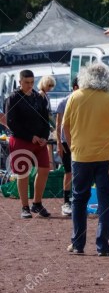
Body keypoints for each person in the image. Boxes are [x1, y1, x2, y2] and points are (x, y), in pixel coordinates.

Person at [63, 63, 109, 256]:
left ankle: (78, 243)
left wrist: (73, 146)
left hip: (80, 155)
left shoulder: (75, 96)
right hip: (107, 157)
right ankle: (102, 246)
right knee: (106, 200)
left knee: (79, 199)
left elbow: (65, 126)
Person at [5, 69, 52, 219]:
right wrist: (30, 136)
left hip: (40, 140)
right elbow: (11, 123)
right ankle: (24, 207)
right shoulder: (13, 98)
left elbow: (46, 119)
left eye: (32, 82)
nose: (29, 85)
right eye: (26, 82)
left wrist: (45, 136)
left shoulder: (39, 97)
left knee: (45, 169)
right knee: (23, 173)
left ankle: (37, 203)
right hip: (20, 139)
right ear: (20, 82)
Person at [55, 77, 79, 216]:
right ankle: (66, 202)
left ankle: (77, 200)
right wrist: (58, 142)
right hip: (66, 142)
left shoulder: (84, 102)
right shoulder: (64, 102)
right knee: (68, 171)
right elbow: (58, 125)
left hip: (80, 141)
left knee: (80, 171)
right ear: (75, 87)